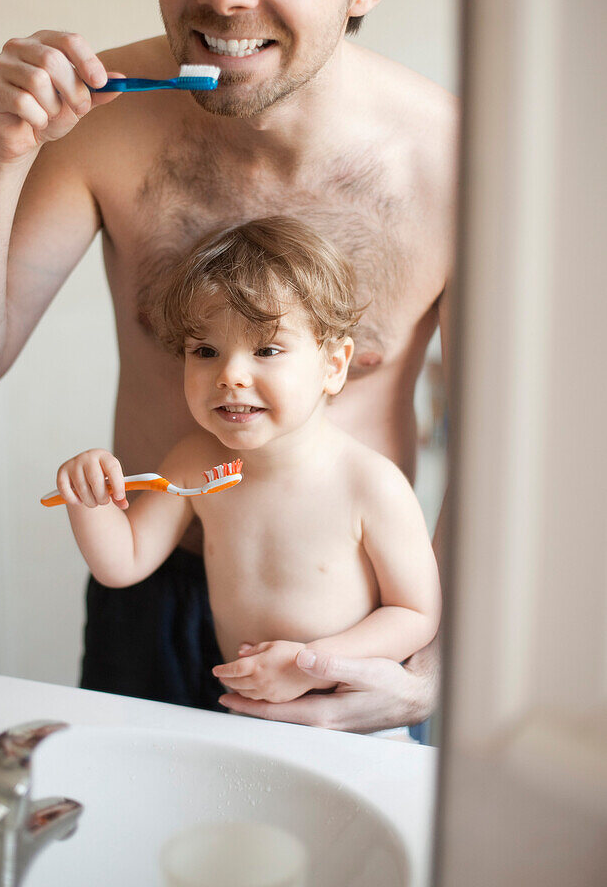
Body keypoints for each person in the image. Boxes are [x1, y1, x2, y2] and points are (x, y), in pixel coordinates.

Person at [0, 0, 457, 733]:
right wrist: (1, 154)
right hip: (147, 598)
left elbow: (507, 456)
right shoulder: (100, 124)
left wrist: (425, 674)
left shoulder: (456, 163)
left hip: (354, 626)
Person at [53, 218, 441, 722]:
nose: (231, 374)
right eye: (206, 351)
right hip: (246, 711)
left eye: (268, 350)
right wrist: (90, 501)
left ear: (334, 365)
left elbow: (415, 615)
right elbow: (123, 563)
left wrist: (311, 666)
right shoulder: (195, 461)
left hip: (349, 717)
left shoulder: (370, 484)